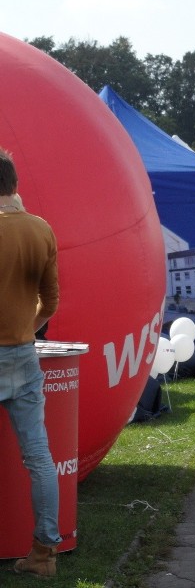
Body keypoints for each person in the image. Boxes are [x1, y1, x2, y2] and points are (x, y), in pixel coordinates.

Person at [0, 149, 62, 578]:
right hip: (22, 352)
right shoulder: (40, 229)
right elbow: (51, 302)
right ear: (15, 185)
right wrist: (28, 325)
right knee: (39, 457)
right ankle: (43, 555)